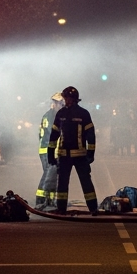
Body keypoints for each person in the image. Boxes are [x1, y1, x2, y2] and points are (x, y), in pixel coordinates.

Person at [47, 86, 98, 214]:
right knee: (62, 184)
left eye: (67, 98)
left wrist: (90, 153)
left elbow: (90, 135)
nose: (66, 101)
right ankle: (61, 208)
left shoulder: (83, 114)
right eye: (65, 98)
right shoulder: (61, 114)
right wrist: (50, 154)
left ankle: (93, 208)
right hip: (64, 155)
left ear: (74, 99)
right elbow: (54, 135)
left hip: (80, 155)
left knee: (86, 182)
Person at [35, 92, 64, 208]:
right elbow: (54, 134)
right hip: (49, 150)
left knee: (52, 176)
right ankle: (41, 199)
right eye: (61, 104)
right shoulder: (52, 116)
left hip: (46, 149)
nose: (62, 106)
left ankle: (50, 199)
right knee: (48, 175)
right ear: (56, 103)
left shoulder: (48, 115)